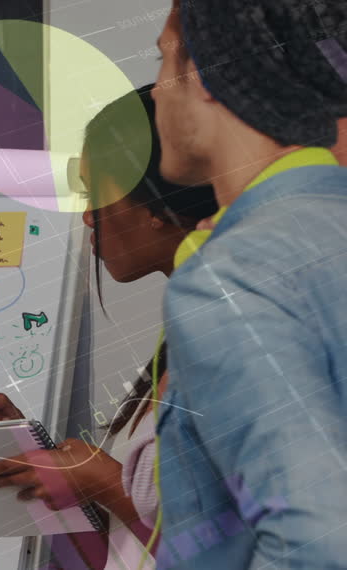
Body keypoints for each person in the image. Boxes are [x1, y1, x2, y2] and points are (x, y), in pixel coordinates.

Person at [0, 85, 217, 569]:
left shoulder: (237, 343)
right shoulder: (185, 336)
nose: (87, 217)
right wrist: (42, 460)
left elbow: (227, 546)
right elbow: (136, 544)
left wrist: (98, 479)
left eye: (95, 194)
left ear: (155, 207)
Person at [150, 0, 347, 567]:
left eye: (163, 60)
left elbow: (319, 546)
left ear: (207, 73)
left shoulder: (232, 275)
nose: (157, 91)